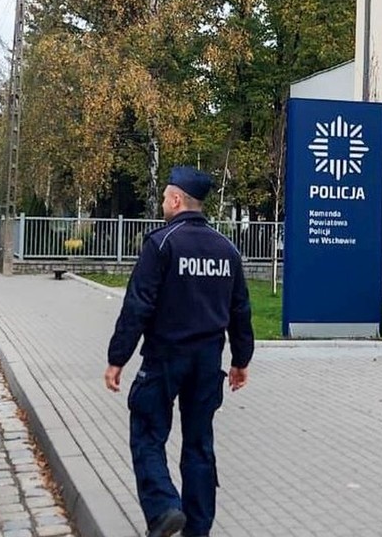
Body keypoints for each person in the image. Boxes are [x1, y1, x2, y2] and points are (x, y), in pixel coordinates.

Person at [103, 166, 254, 537]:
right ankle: (197, 528)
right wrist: (240, 360)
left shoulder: (162, 243)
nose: (163, 204)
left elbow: (138, 304)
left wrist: (117, 357)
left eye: (164, 198)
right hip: (207, 362)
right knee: (199, 443)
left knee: (147, 432)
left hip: (165, 357)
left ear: (176, 200)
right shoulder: (227, 249)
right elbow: (240, 310)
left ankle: (164, 508)